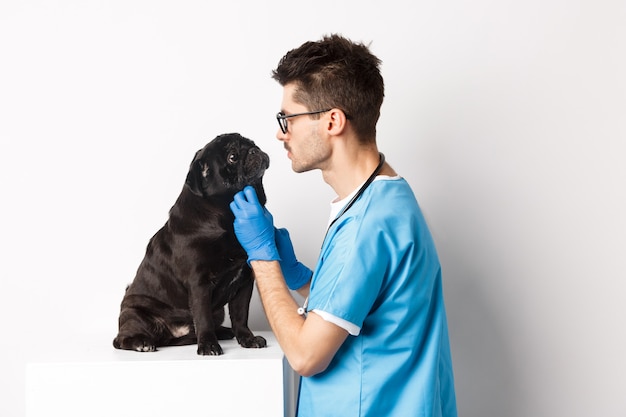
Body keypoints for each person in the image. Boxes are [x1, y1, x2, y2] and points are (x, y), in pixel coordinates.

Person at [229, 34, 457, 417]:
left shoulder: (366, 225)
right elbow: (368, 305)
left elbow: (305, 355)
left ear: (333, 121)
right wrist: (302, 279)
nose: (280, 133)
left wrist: (263, 260)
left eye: (288, 118)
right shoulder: (388, 199)